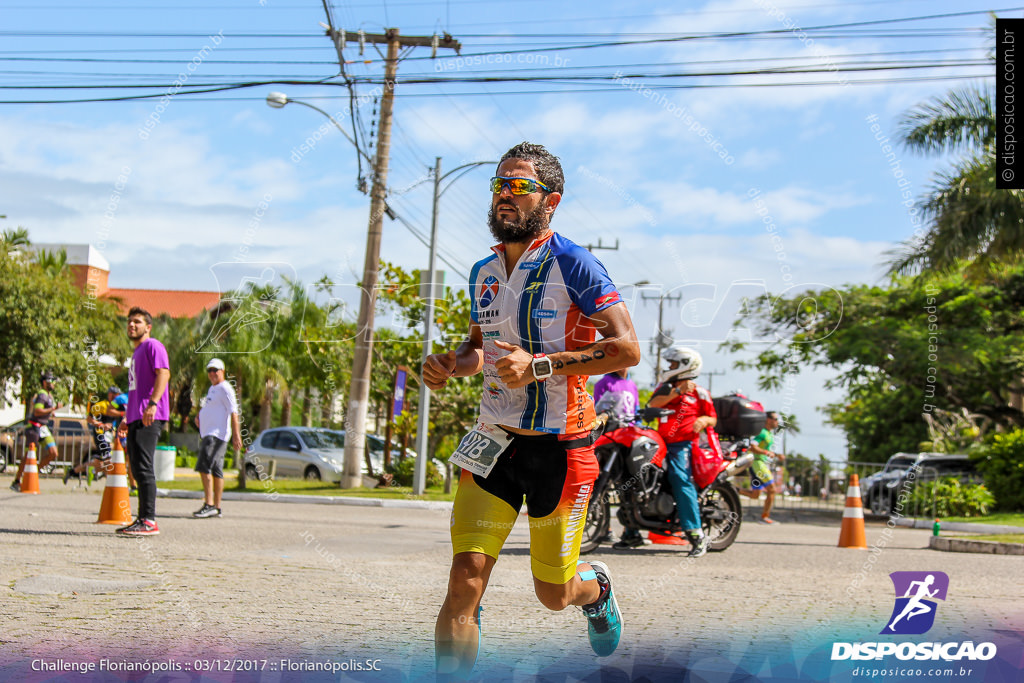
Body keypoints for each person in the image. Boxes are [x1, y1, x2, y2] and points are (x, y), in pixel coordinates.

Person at [423, 142, 641, 679]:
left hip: (561, 450)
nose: (505, 195)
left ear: (551, 200)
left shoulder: (575, 263)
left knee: (553, 592)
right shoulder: (483, 271)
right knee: (464, 579)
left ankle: (595, 589)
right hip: (493, 440)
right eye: (499, 184)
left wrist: (541, 367)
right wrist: (451, 364)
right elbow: (479, 350)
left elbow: (628, 349)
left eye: (518, 186)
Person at [616, 346, 716, 557]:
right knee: (636, 474)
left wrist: (703, 420)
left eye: (673, 364)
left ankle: (696, 534)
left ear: (685, 365)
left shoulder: (700, 392)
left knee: (679, 477)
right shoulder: (666, 388)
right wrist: (677, 391)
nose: (669, 367)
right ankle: (632, 531)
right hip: (659, 442)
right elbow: (652, 405)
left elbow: (712, 417)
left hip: (683, 445)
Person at [115, 307, 170, 536]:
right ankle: (142, 518)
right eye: (129, 322)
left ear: (148, 327)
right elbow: (136, 388)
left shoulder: (152, 345)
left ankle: (149, 520)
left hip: (150, 414)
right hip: (137, 415)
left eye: (137, 322)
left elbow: (164, 373)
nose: (132, 325)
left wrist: (153, 404)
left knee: (144, 467)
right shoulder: (136, 354)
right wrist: (127, 418)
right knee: (137, 468)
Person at [192, 358, 242, 518]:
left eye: (216, 370)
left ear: (223, 371)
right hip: (209, 433)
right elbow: (211, 409)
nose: (212, 373)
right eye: (210, 371)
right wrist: (200, 416)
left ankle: (209, 504)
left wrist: (236, 435)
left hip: (216, 435)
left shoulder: (225, 388)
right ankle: (217, 507)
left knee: (203, 466)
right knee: (216, 469)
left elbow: (234, 412)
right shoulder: (213, 389)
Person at [65, 386, 131, 486]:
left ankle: (77, 471)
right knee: (108, 460)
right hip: (100, 435)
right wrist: (101, 425)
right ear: (110, 394)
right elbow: (89, 419)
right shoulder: (102, 405)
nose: (116, 397)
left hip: (109, 436)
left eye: (117, 395)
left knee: (101, 461)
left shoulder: (118, 406)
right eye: (114, 394)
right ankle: (113, 484)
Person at [10, 371, 63, 492]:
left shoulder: (49, 395)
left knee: (53, 453)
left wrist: (51, 412)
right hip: (34, 427)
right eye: (51, 381)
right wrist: (53, 409)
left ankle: (33, 473)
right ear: (45, 382)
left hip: (43, 428)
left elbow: (44, 411)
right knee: (28, 455)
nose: (54, 383)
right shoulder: (42, 395)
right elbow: (37, 411)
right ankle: (17, 480)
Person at [739, 411, 784, 524]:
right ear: (768, 420)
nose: (777, 422)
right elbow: (752, 447)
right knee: (772, 489)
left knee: (755, 495)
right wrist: (765, 452)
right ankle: (765, 517)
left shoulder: (769, 433)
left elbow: (767, 451)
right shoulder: (762, 433)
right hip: (758, 465)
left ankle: (733, 490)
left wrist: (776, 455)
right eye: (775, 419)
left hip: (760, 465)